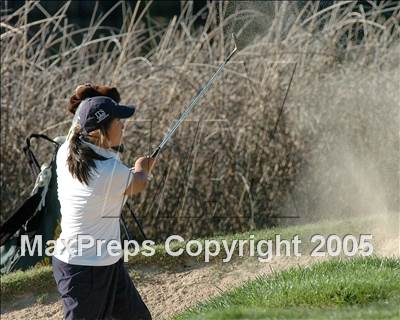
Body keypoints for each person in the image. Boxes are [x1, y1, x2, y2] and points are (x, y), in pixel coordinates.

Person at [52, 95, 154, 320]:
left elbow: (77, 127)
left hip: (106, 262)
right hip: (82, 270)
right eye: (117, 121)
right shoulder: (109, 171)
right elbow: (139, 183)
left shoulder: (66, 149)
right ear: (98, 133)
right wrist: (142, 165)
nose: (122, 125)